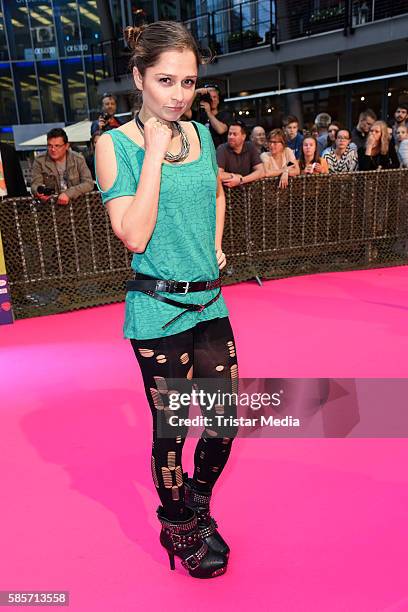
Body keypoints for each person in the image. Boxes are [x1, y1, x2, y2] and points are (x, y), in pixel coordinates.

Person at [95, 21, 238, 579]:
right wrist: (153, 151)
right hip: (157, 311)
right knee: (172, 434)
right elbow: (133, 233)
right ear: (138, 77)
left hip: (210, 302)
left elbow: (215, 196)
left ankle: (196, 504)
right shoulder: (114, 146)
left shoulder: (201, 135)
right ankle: (178, 524)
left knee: (225, 422)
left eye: (188, 81)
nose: (178, 94)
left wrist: (216, 246)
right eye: (164, 80)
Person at [31, 128, 94, 205]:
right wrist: (38, 191)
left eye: (57, 146)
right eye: (50, 146)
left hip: (77, 208)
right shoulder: (39, 161)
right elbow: (35, 184)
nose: (53, 149)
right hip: (50, 209)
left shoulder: (78, 159)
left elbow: (88, 183)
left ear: (66, 146)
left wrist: (69, 193)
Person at [216, 121, 264, 187]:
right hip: (229, 193)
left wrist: (241, 180)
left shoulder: (250, 147)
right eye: (229, 134)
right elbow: (218, 174)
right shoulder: (222, 149)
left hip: (248, 193)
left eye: (235, 134)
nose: (231, 137)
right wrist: (234, 176)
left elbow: (261, 171)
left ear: (243, 136)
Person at [192, 84, 232, 148]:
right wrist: (195, 92)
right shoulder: (200, 115)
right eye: (210, 98)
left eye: (215, 97)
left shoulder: (225, 115)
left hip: (219, 154)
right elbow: (184, 110)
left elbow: (221, 130)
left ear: (219, 100)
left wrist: (209, 112)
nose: (212, 100)